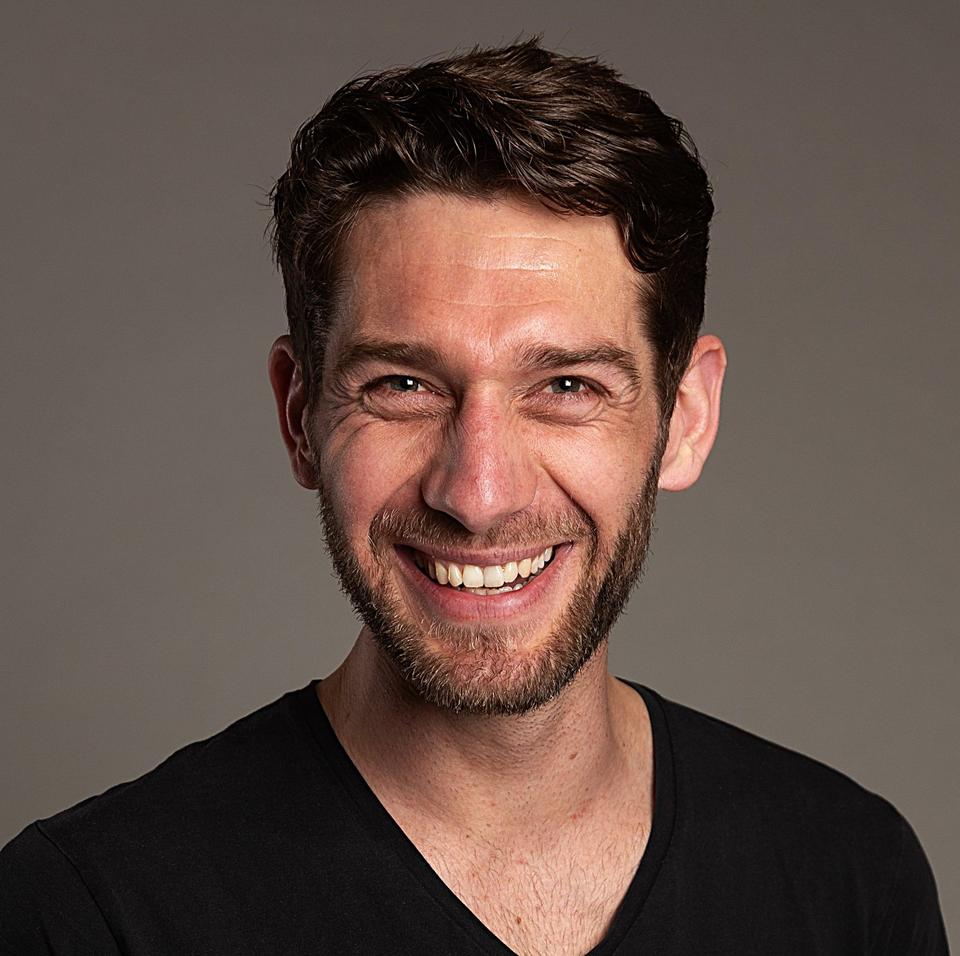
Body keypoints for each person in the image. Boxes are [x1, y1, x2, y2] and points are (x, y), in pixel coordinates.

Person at [0, 39, 948, 955]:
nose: (480, 494)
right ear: (300, 416)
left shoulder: (851, 879)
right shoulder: (88, 916)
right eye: (403, 386)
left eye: (567, 386)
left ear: (686, 416)